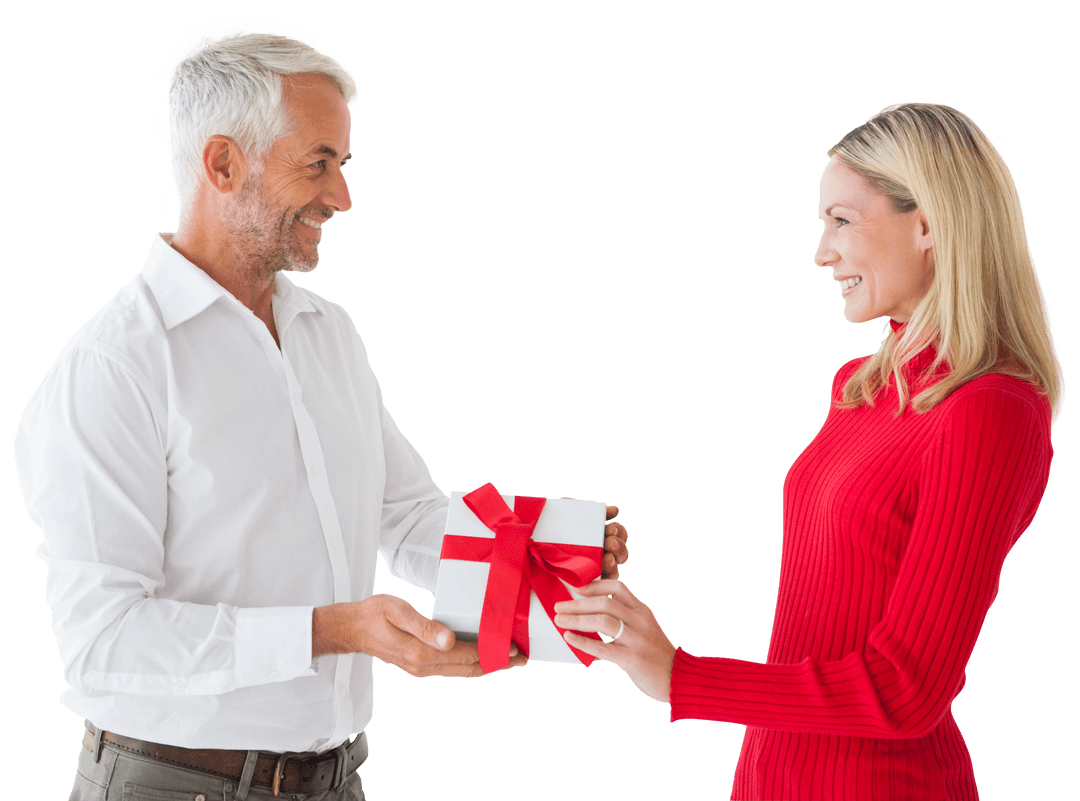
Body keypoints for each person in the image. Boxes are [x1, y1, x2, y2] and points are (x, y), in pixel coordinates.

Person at [13, 26, 629, 801]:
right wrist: (334, 629)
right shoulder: (116, 366)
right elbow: (103, 640)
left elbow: (404, 517)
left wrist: (558, 558)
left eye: (342, 163)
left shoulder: (327, 332)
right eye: (320, 164)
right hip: (171, 786)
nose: (343, 196)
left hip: (333, 781)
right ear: (224, 164)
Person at [554, 102, 1064, 800]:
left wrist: (682, 675)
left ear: (927, 224)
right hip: (772, 777)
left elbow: (906, 687)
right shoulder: (861, 387)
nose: (821, 252)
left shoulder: (991, 411)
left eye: (842, 221)